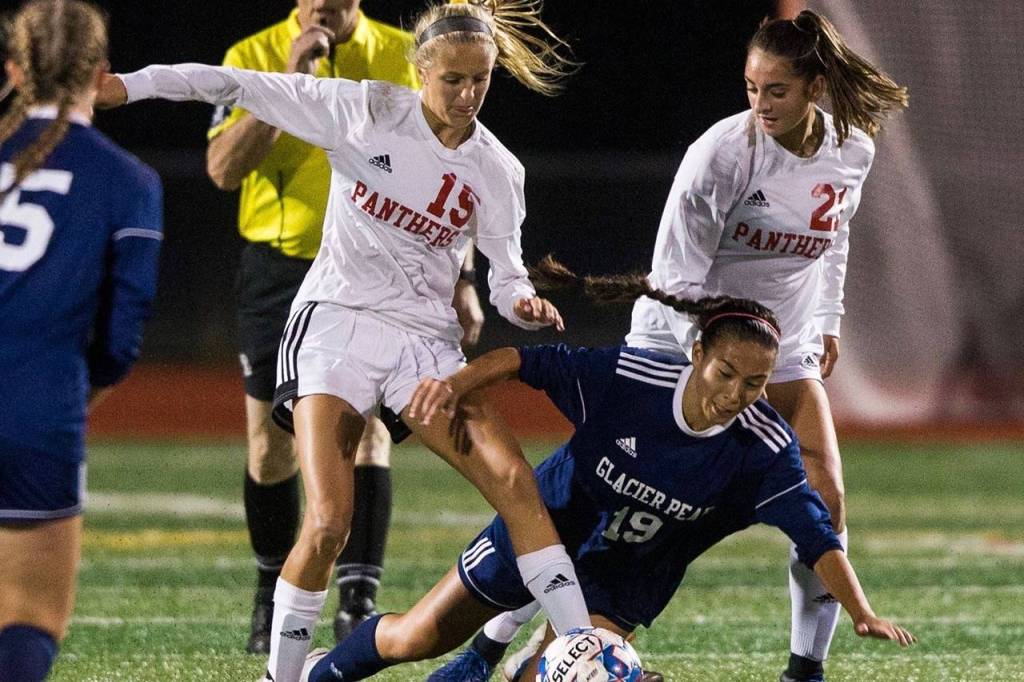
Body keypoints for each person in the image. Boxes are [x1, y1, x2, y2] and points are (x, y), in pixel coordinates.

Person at [96, 2, 594, 681]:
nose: (467, 94)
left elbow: (505, 275)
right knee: (329, 519)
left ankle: (588, 654)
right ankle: (283, 676)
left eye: (480, 80)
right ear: (419, 71)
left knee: (515, 483)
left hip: (425, 345)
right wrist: (126, 85)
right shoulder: (361, 110)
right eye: (452, 79)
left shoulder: (497, 168)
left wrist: (523, 303)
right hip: (338, 323)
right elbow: (230, 83)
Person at [302, 260, 914, 682]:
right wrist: (452, 383)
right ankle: (318, 672)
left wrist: (860, 611)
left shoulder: (764, 447)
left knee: (584, 673)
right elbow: (525, 359)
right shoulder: (629, 381)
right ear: (696, 354)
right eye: (726, 373)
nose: (736, 393)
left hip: (629, 575)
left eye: (755, 383)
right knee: (414, 639)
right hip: (545, 530)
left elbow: (816, 536)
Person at [620, 11, 909, 682]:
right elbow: (675, 278)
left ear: (813, 86)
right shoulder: (720, 154)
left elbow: (833, 237)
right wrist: (715, 369)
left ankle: (804, 671)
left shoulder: (852, 150)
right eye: (751, 88)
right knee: (623, 510)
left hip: (783, 346)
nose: (760, 104)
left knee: (826, 498)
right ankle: (503, 640)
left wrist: (828, 319)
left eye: (775, 89)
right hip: (682, 344)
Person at [202, 0, 479, 652]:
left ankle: (358, 600)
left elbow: (451, 167)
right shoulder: (253, 55)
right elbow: (222, 171)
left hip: (383, 271)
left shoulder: (408, 53)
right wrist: (289, 84)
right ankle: (275, 590)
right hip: (283, 266)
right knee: (270, 450)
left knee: (369, 433)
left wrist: (464, 277)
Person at [0, 1, 163, 680]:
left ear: (13, 70)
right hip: (37, 409)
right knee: (29, 619)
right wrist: (71, 394)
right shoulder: (129, 182)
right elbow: (120, 344)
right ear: (101, 75)